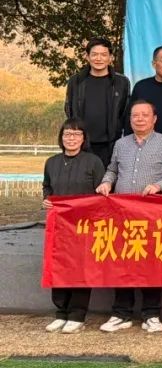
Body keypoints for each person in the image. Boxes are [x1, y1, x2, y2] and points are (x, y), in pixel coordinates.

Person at [95, 101, 162, 333]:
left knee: (151, 263)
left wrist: (158, 186)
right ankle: (121, 313)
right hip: (122, 213)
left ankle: (151, 314)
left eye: (145, 115)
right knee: (122, 262)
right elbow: (112, 169)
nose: (140, 119)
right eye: (135, 116)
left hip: (152, 214)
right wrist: (106, 182)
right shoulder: (121, 144)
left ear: (154, 119)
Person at [42, 118, 105, 334]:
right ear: (61, 138)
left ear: (84, 138)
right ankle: (61, 312)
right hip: (59, 225)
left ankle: (77, 315)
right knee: (59, 267)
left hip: (83, 226)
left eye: (77, 134)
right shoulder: (52, 162)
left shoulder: (93, 162)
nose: (71, 138)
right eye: (67, 134)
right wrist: (46, 199)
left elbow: (100, 195)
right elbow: (47, 187)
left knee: (80, 268)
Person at [64, 38, 130, 169]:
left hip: (111, 144)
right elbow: (69, 110)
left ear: (110, 57)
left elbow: (125, 112)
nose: (98, 59)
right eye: (94, 54)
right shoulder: (75, 81)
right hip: (82, 144)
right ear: (87, 56)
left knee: (108, 179)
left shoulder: (121, 82)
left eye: (104, 54)